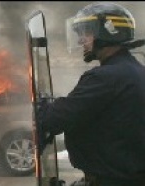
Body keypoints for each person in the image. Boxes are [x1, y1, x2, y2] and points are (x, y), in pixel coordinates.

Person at [38, 2, 145, 186]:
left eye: (86, 33)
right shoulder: (133, 70)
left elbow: (56, 118)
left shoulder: (105, 77)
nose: (81, 40)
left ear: (108, 32)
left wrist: (41, 108)